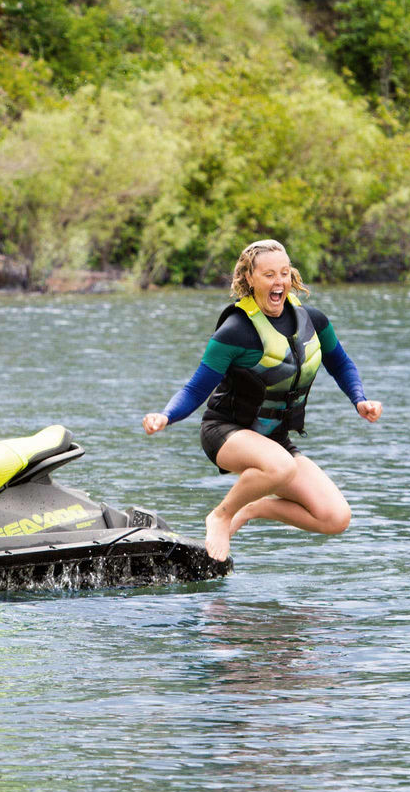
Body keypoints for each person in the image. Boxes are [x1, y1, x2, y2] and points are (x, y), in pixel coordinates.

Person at [142, 239, 384, 562]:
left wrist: (360, 400)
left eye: (284, 273)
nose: (279, 282)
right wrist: (166, 416)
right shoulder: (234, 331)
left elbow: (340, 363)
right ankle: (221, 515)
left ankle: (253, 506)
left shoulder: (313, 322)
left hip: (276, 443)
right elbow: (195, 389)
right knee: (280, 465)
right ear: (249, 278)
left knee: (335, 517)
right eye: (269, 274)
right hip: (225, 433)